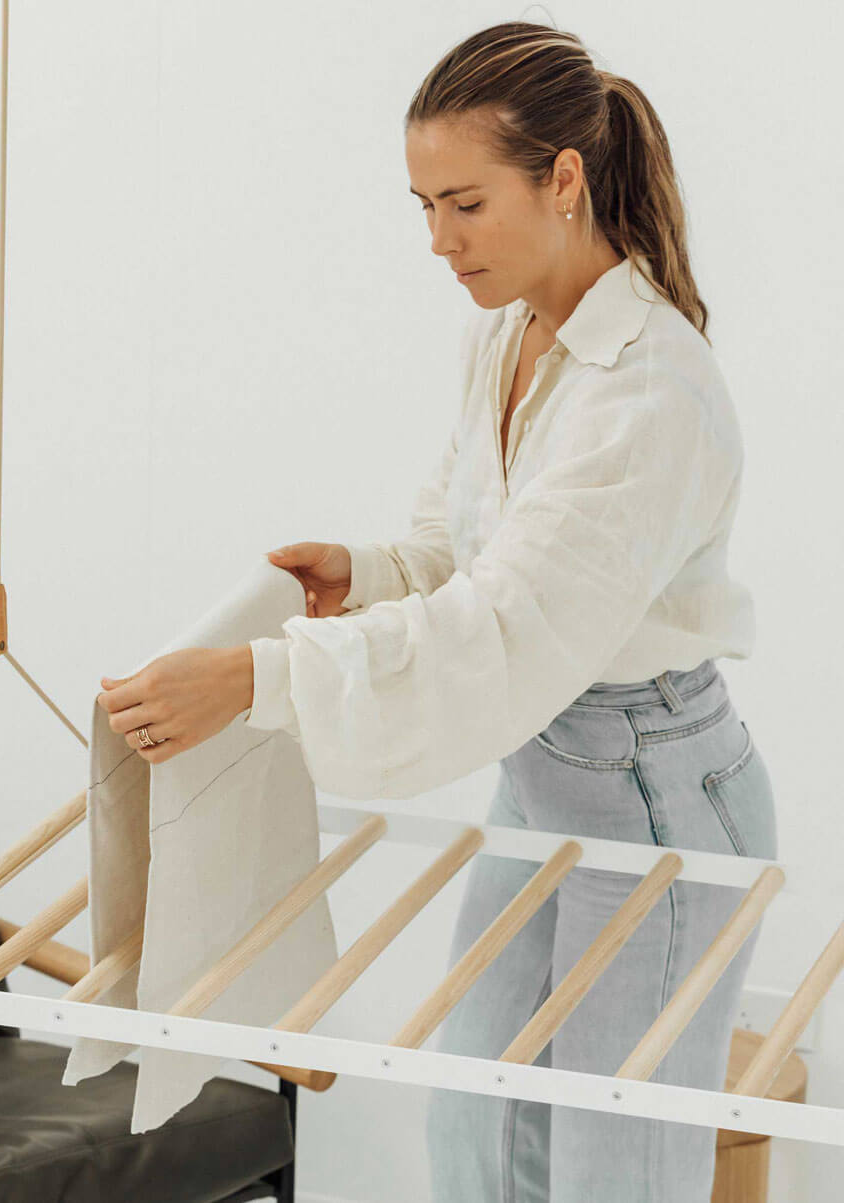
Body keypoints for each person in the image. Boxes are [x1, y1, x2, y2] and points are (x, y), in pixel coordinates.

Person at [95, 18, 775, 1201]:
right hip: (546, 771)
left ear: (564, 181)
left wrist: (259, 679)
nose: (437, 241)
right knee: (473, 1128)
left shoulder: (652, 394)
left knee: (614, 1173)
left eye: (464, 204)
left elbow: (504, 627)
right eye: (422, 206)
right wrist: (365, 573)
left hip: (656, 795)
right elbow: (467, 549)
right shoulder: (507, 336)